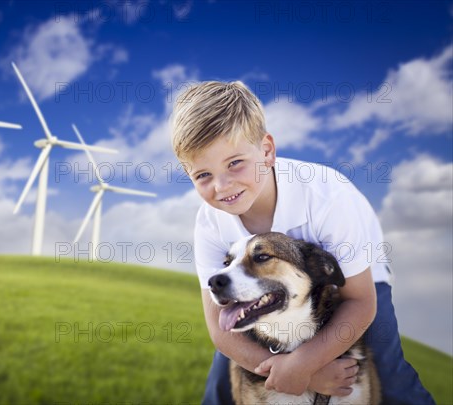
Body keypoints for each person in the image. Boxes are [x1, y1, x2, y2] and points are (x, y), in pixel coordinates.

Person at [170, 80, 435, 405]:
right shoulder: (210, 222)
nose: (222, 186)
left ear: (267, 151)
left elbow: (360, 302)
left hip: (356, 278)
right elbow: (220, 329)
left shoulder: (328, 198)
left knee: (389, 373)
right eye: (203, 176)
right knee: (221, 384)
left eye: (235, 163)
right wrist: (301, 374)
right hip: (254, 290)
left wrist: (305, 362)